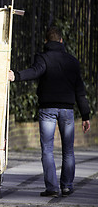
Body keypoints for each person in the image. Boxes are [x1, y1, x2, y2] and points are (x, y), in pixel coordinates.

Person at [8, 26, 91, 198]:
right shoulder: (72, 61)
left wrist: (16, 76)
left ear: (46, 41)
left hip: (47, 110)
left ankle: (52, 187)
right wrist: (85, 115)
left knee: (47, 149)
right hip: (67, 110)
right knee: (68, 150)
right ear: (61, 40)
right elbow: (80, 90)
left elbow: (35, 72)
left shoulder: (43, 58)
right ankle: (67, 186)